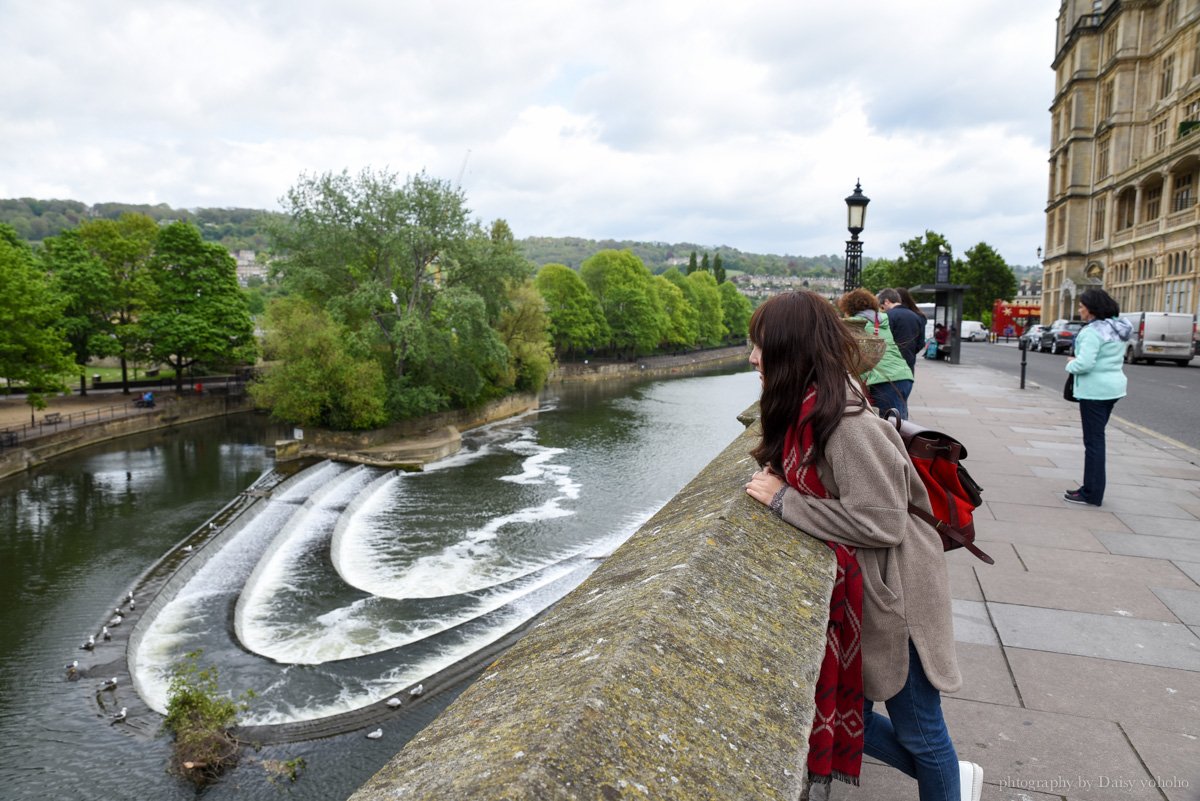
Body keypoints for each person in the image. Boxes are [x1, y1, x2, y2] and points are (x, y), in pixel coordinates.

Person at [743, 290, 981, 801]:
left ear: (790, 348)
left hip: (900, 597)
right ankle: (952, 779)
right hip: (868, 589)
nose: (753, 357)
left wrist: (784, 499)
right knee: (841, 714)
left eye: (760, 345)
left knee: (920, 730)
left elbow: (882, 522)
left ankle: (951, 782)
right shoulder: (813, 405)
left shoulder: (846, 424)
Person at [1063, 289, 1131, 507]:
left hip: (1095, 391)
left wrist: (1070, 362)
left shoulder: (1092, 332)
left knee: (1093, 442)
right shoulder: (1117, 327)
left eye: (1082, 305)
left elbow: (1085, 363)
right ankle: (1092, 488)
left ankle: (1091, 493)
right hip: (1113, 389)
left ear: (1091, 308)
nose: (1080, 309)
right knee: (1097, 439)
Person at [838, 288, 914, 419]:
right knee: (900, 422)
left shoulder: (857, 325)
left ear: (849, 307)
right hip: (903, 375)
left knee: (890, 426)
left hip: (884, 379)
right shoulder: (882, 320)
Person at [878, 288, 926, 389]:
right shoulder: (916, 316)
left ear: (886, 301)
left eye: (882, 306)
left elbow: (882, 340)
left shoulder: (887, 316)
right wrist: (910, 351)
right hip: (909, 364)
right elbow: (921, 342)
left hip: (891, 367)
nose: (883, 309)